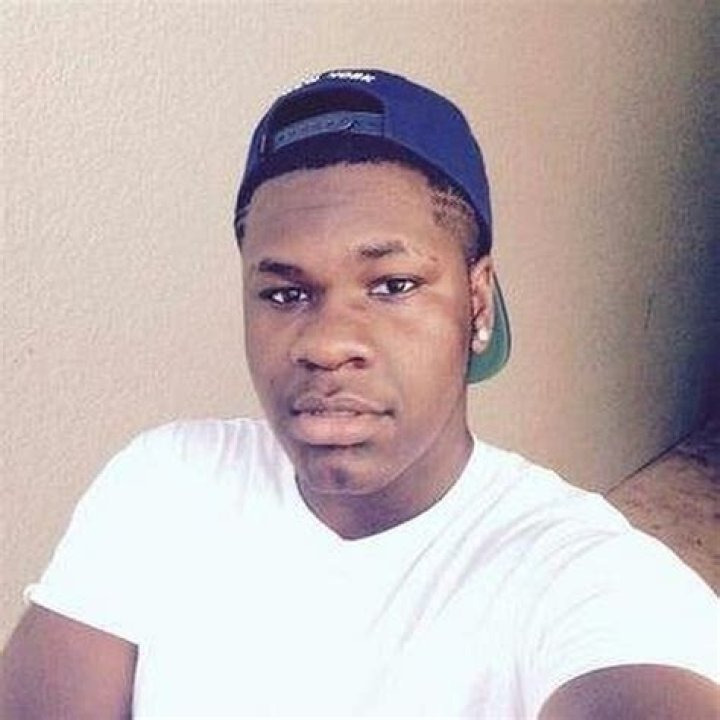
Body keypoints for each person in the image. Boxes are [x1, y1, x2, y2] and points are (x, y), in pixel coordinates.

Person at [1, 69, 717, 719]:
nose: (325, 343)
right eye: (284, 293)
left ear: (478, 303)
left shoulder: (580, 573)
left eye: (392, 285)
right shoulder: (166, 481)